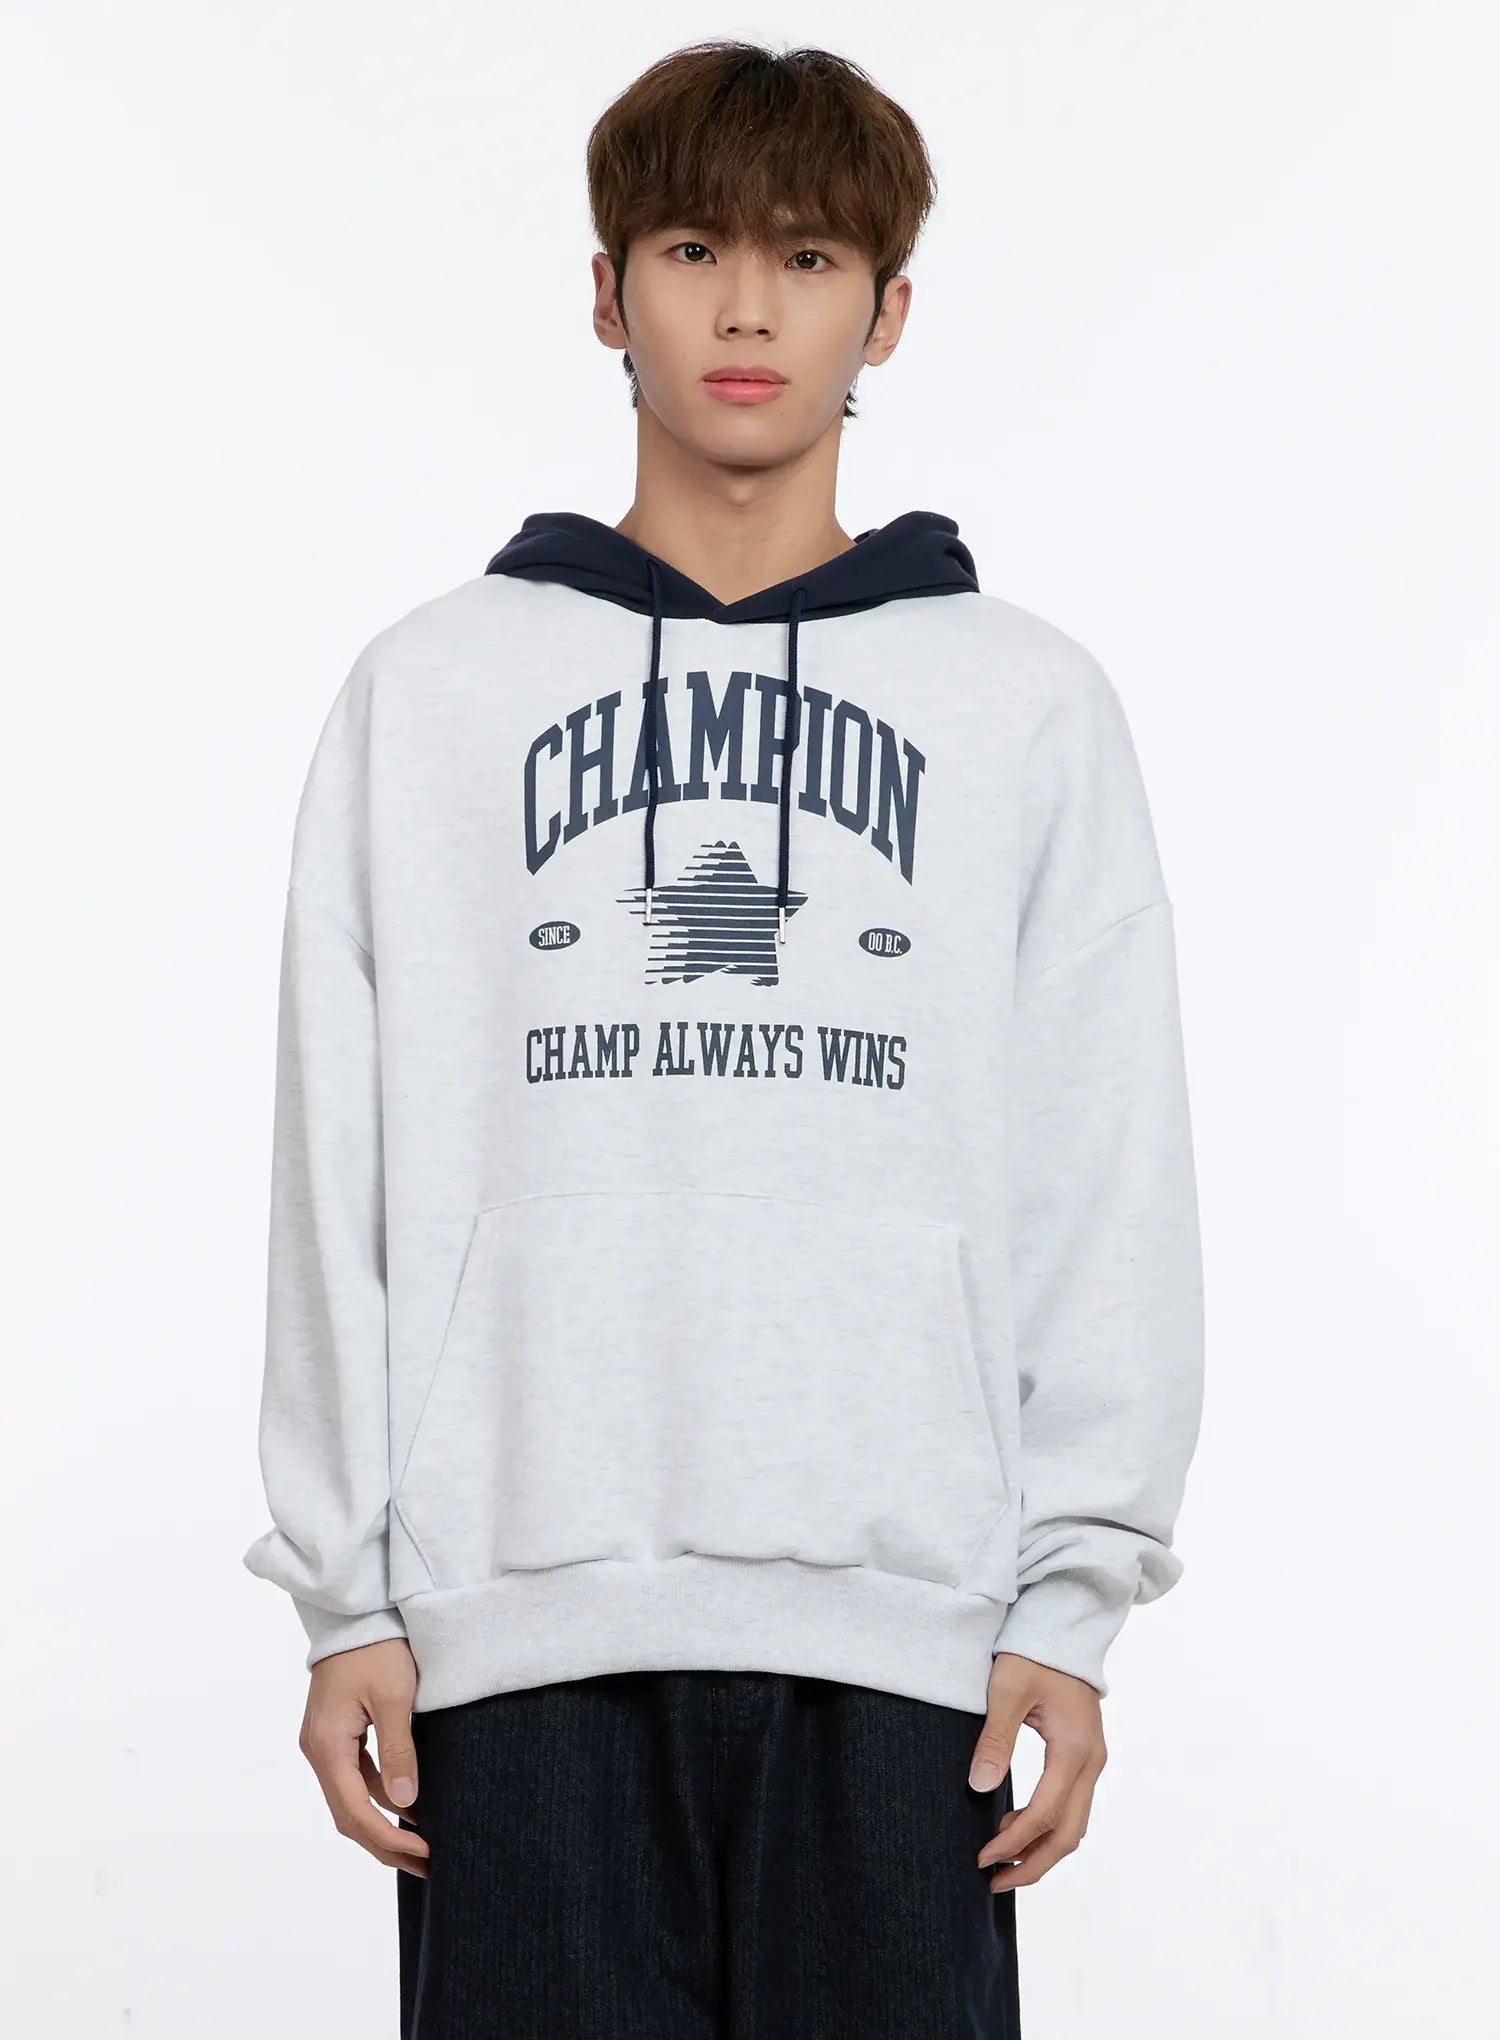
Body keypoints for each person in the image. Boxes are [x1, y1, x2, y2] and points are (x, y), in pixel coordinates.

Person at [242, 37, 1204, 2039]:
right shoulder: (432, 694)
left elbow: (1103, 1161)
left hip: (912, 1635)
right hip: (513, 1628)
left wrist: (1076, 1590)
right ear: (607, 296)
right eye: (693, 250)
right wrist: (347, 1595)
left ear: (889, 312)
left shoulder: (1026, 709)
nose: (749, 308)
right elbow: (335, 1161)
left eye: (810, 257)